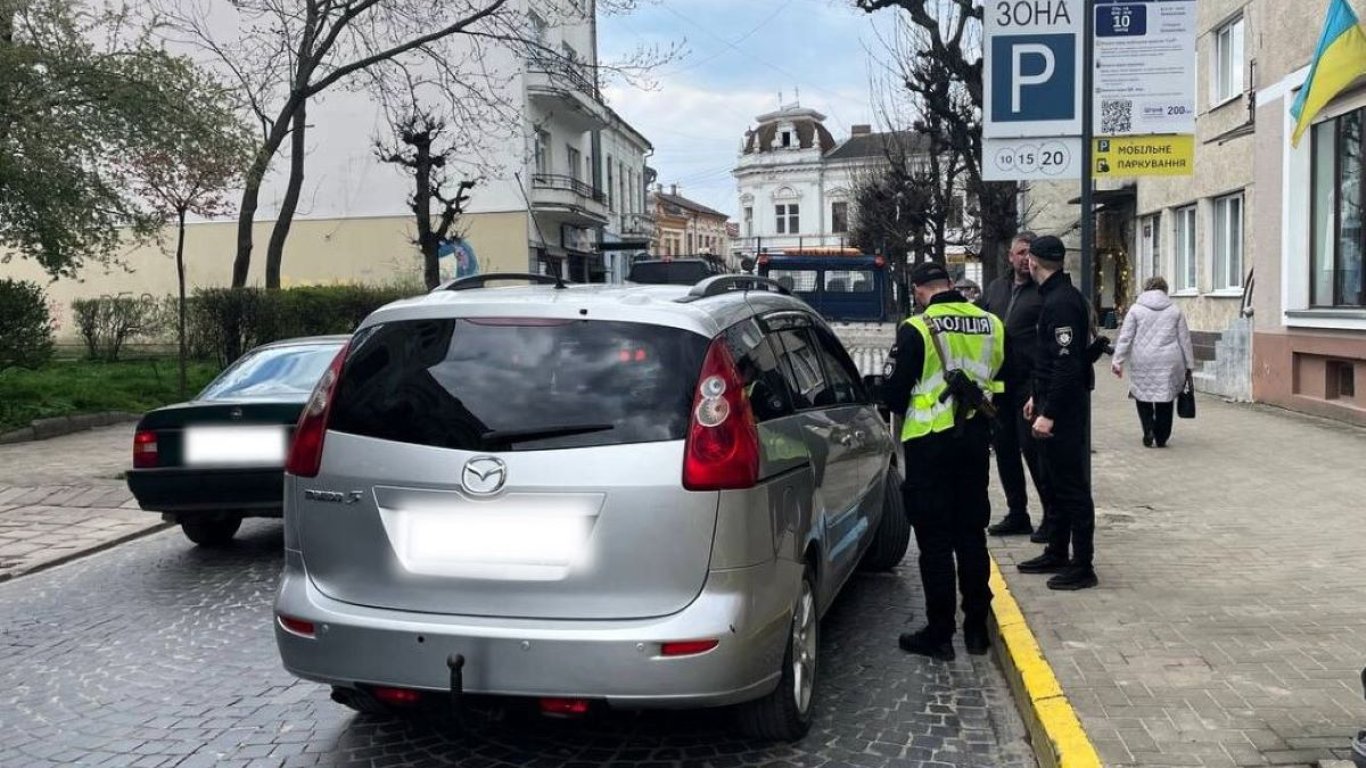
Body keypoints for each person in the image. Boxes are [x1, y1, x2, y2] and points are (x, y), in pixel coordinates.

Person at [881, 262, 1005, 660]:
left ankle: (940, 634)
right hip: (974, 442)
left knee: (934, 542)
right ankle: (976, 632)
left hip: (929, 444)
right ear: (950, 285)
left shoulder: (917, 328)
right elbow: (1003, 375)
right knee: (971, 534)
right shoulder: (991, 324)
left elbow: (897, 394)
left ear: (919, 291)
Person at [1017, 235, 1099, 591]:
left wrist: (1049, 411)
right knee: (1054, 482)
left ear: (1034, 262)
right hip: (1052, 404)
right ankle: (1057, 551)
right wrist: (1037, 398)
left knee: (1071, 488)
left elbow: (1066, 365)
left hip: (1064, 411)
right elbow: (1050, 360)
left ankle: (1082, 566)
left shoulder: (1061, 303)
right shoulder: (1054, 297)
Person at [978, 232, 1051, 541]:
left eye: (1029, 254)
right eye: (1020, 253)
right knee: (1006, 452)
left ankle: (1052, 515)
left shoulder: (1043, 292)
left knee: (1033, 451)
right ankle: (1017, 512)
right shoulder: (996, 289)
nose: (1024, 258)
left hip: (1029, 384)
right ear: (1010, 256)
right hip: (999, 384)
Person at [1111, 276, 1194, 448]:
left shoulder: (1135, 310)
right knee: (1166, 397)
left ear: (1146, 289)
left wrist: (1117, 361)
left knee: (1142, 395)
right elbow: (1184, 340)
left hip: (1143, 359)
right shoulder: (1174, 310)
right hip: (1169, 361)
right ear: (1165, 290)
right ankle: (1162, 436)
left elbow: (1126, 337)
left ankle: (1148, 429)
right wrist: (1189, 365)